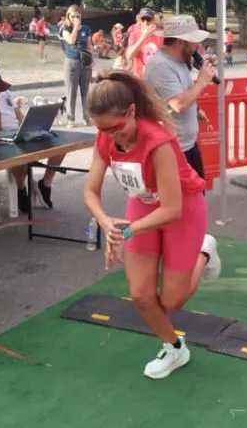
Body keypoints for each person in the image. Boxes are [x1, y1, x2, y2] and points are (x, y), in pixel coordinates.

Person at [83, 70, 221, 379]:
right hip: (143, 205)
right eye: (102, 128)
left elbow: (172, 208)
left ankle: (205, 252)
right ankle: (175, 348)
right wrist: (106, 222)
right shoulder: (105, 136)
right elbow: (90, 191)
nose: (110, 135)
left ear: (132, 112)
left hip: (182, 210)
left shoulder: (158, 141)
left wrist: (125, 231)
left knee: (171, 300)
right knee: (142, 296)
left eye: (116, 127)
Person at [0, 54, 62, 210]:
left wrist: (31, 126)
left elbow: (18, 115)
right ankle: (21, 189)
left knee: (59, 145)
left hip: (18, 131)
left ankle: (45, 184)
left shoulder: (5, 91)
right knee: (16, 152)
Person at [143, 15, 216, 180]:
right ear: (181, 42)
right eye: (193, 42)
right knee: (182, 202)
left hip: (187, 145)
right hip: (172, 149)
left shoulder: (180, 61)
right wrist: (202, 81)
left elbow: (180, 91)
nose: (196, 47)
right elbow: (178, 103)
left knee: (197, 199)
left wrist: (196, 109)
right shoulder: (160, 65)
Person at [60, 4, 92, 127]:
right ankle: (70, 118)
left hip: (85, 61)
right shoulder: (65, 29)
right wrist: (75, 27)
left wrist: (91, 60)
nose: (76, 18)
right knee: (71, 91)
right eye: (73, 16)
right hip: (72, 61)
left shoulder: (86, 29)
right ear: (68, 16)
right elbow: (71, 41)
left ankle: (86, 117)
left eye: (78, 16)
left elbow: (89, 45)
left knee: (86, 91)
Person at [125, 8, 164, 78]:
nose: (145, 22)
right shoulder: (135, 33)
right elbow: (129, 56)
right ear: (140, 20)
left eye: (148, 19)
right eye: (143, 19)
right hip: (140, 78)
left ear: (153, 20)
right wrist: (143, 37)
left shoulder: (160, 34)